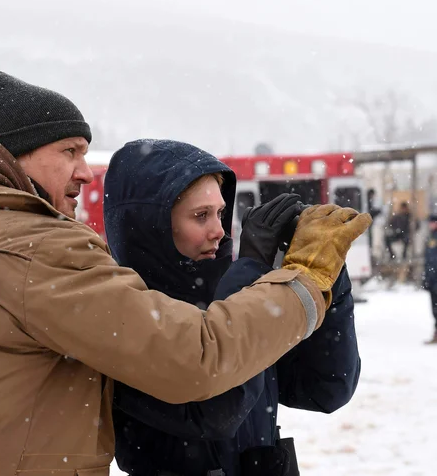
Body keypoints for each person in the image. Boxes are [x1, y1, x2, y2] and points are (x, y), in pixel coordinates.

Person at [0, 71, 370, 475]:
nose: (83, 171)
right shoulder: (39, 250)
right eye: (68, 151)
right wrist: (302, 274)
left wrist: (326, 280)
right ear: (13, 155)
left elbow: (326, 385)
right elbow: (201, 367)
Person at [104, 140, 361, 476]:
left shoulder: (235, 294)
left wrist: (325, 276)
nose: (219, 231)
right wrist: (251, 269)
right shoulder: (121, 311)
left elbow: (325, 388)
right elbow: (217, 410)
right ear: (148, 225)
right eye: (201, 216)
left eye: (221, 213)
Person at [423, 214, 437, 344]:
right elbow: (428, 260)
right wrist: (427, 278)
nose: (431, 224)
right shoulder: (431, 237)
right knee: (434, 308)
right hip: (432, 279)